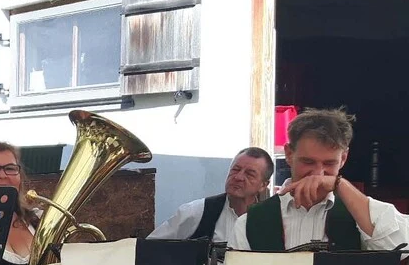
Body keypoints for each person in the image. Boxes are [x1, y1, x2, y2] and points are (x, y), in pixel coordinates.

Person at [230, 108, 409, 253]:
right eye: (308, 162)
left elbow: (399, 246)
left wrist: (340, 185)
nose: (318, 174)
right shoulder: (248, 223)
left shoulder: (360, 217)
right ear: (289, 154)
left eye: (329, 163)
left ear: (344, 158)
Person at [150, 147, 274, 244]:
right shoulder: (196, 212)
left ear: (263, 185)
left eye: (249, 174)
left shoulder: (272, 220)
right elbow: (151, 246)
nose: (238, 177)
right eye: (235, 169)